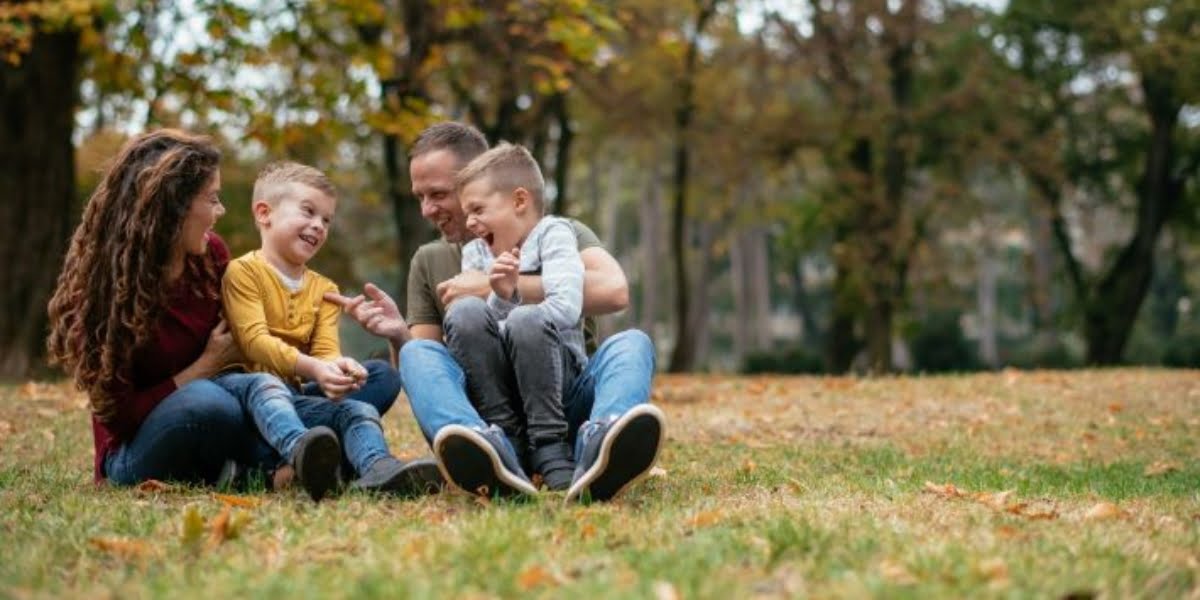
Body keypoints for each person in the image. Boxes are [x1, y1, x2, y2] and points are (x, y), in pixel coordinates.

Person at [328, 122, 664, 503]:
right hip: (490, 413)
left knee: (632, 344)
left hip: (567, 401)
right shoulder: (430, 259)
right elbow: (431, 368)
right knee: (416, 353)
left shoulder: (557, 233)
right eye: (420, 196)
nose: (427, 209)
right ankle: (481, 451)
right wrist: (396, 335)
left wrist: (499, 284)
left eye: (438, 194)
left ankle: (604, 439)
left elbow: (615, 290)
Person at [47, 129, 277, 487]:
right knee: (208, 404)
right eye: (212, 199)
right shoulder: (103, 288)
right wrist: (204, 367)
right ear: (174, 206)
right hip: (134, 452)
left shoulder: (210, 255)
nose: (220, 211)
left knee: (366, 381)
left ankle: (292, 459)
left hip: (225, 410)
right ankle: (271, 470)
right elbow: (120, 419)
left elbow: (241, 350)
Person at [219, 161, 442, 499]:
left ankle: (378, 468)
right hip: (243, 396)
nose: (318, 226)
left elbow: (325, 351)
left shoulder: (324, 288)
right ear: (264, 214)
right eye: (308, 212)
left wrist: (337, 368)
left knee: (362, 403)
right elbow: (253, 342)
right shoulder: (243, 272)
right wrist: (313, 368)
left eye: (326, 220)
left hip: (292, 397)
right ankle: (300, 454)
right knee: (265, 383)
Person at [436, 143, 585, 493]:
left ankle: (550, 445)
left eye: (477, 209)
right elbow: (477, 335)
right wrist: (502, 297)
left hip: (558, 381)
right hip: (502, 389)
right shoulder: (475, 251)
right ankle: (505, 438)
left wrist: (513, 299)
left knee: (527, 319)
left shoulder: (554, 234)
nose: (469, 222)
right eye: (466, 212)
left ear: (520, 201)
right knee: (464, 311)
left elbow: (565, 309)